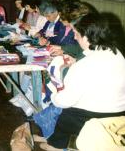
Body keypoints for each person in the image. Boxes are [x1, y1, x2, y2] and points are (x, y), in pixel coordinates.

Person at [39, 13, 125, 150]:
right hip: (119, 115)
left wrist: (55, 90)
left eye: (76, 34)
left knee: (64, 111)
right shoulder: (118, 54)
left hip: (94, 118)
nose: (74, 37)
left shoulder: (84, 65)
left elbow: (64, 101)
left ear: (86, 37)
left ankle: (57, 146)